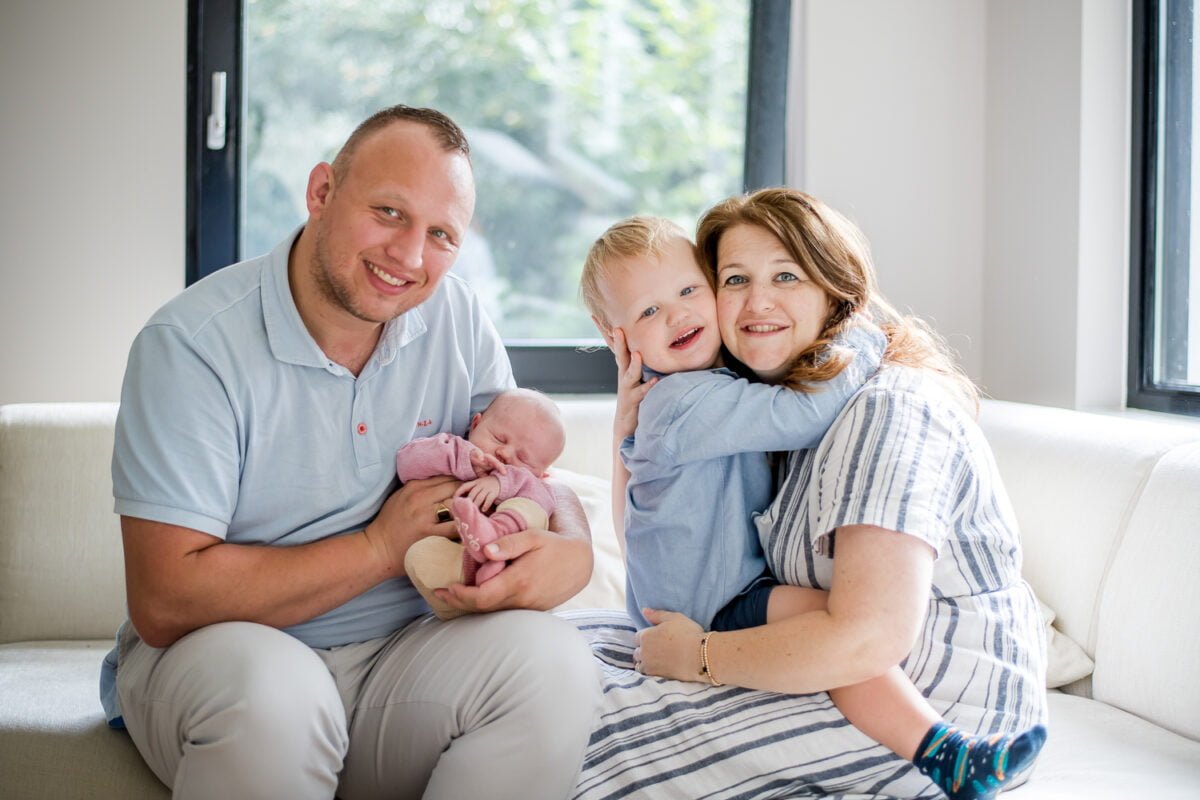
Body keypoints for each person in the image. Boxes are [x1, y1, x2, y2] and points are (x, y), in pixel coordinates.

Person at [103, 105, 600, 800]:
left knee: (557, 664)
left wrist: (574, 547)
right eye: (390, 213)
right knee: (277, 698)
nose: (410, 257)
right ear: (320, 193)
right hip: (226, 659)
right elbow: (163, 600)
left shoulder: (454, 314)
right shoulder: (192, 345)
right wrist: (378, 546)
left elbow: (521, 468)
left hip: (404, 659)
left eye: (441, 235)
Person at [571, 189, 1047, 800]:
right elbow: (637, 518)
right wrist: (624, 431)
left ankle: (944, 750)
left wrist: (700, 657)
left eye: (787, 275)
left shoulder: (883, 406)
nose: (755, 301)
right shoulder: (720, 397)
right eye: (735, 278)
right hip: (717, 609)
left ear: (834, 291)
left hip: (935, 684)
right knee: (545, 666)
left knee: (570, 723)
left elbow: (863, 638)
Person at [398, 387, 567, 618]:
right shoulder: (450, 448)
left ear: (542, 471)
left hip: (507, 561)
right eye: (499, 438)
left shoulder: (530, 482)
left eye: (524, 458)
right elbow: (406, 464)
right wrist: (464, 460)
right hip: (457, 565)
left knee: (536, 505)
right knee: (418, 556)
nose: (505, 454)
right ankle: (467, 580)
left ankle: (495, 535)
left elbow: (546, 501)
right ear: (476, 424)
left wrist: (501, 483)